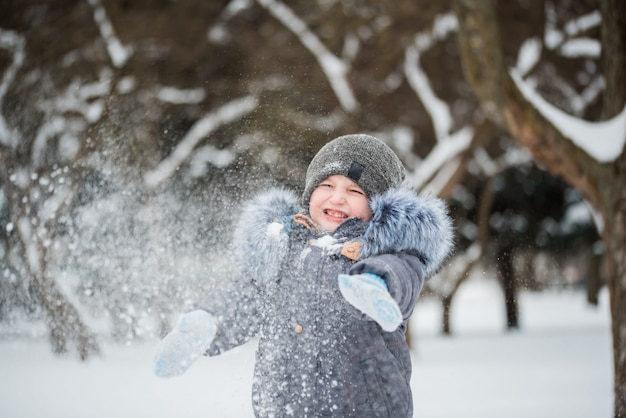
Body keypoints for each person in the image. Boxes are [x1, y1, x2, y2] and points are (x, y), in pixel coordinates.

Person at [152, 134, 454, 417]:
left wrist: (373, 285)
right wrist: (209, 324)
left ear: (379, 207)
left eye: (354, 191)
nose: (337, 199)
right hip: (285, 406)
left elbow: (400, 276)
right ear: (310, 191)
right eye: (326, 186)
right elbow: (247, 295)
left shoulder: (386, 253)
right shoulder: (283, 252)